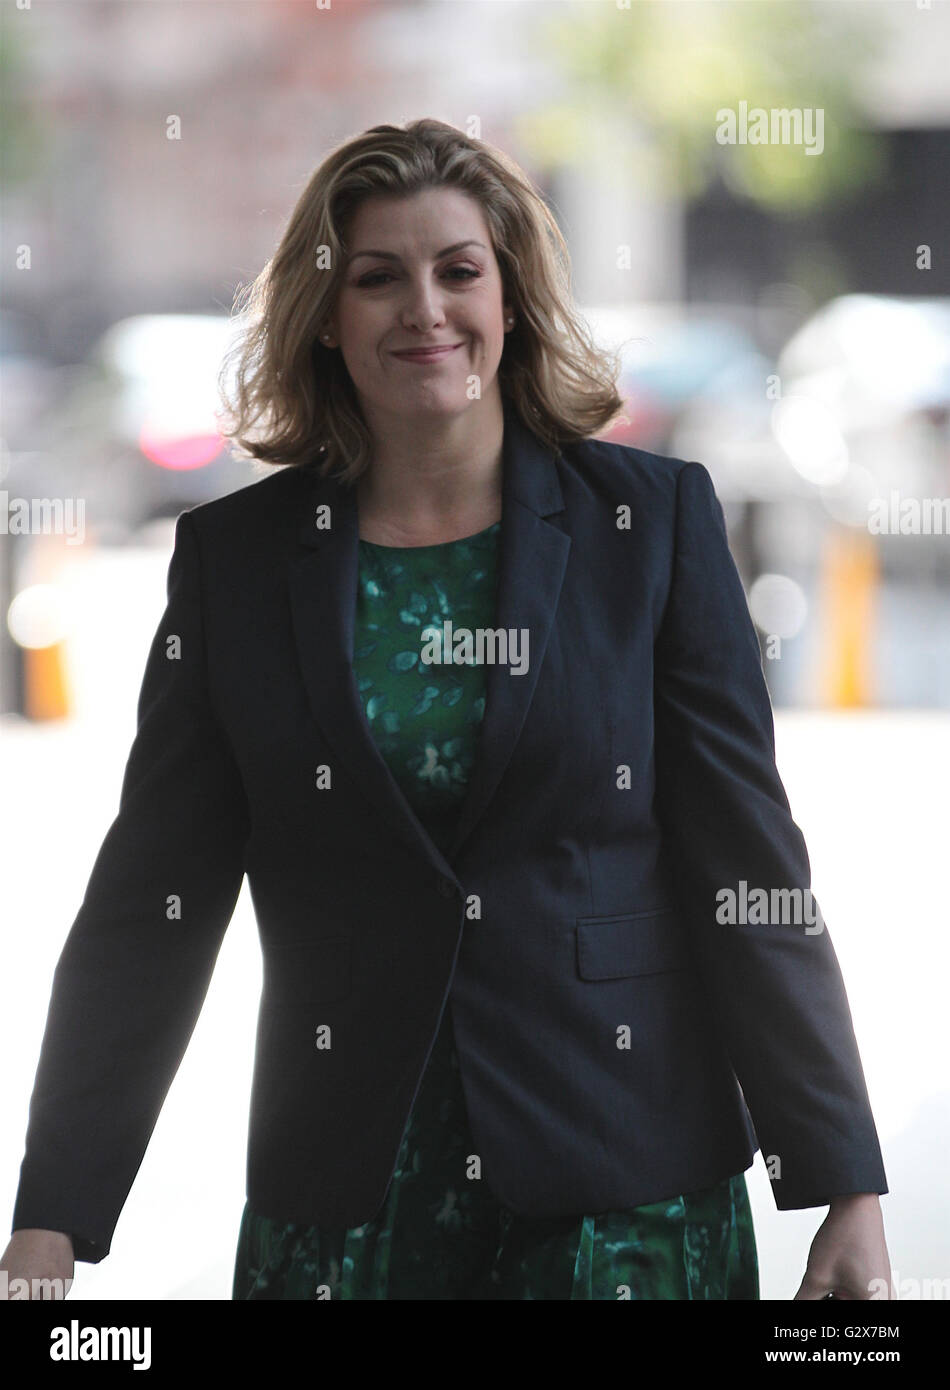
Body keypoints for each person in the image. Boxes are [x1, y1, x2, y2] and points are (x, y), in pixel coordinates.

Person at [3, 118, 889, 1301]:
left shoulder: (651, 528)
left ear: (509, 297)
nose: (424, 308)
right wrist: (55, 1214)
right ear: (326, 314)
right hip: (347, 1209)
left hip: (623, 1197)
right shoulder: (236, 565)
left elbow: (749, 866)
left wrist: (842, 1178)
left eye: (458, 270)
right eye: (377, 277)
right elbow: (150, 904)